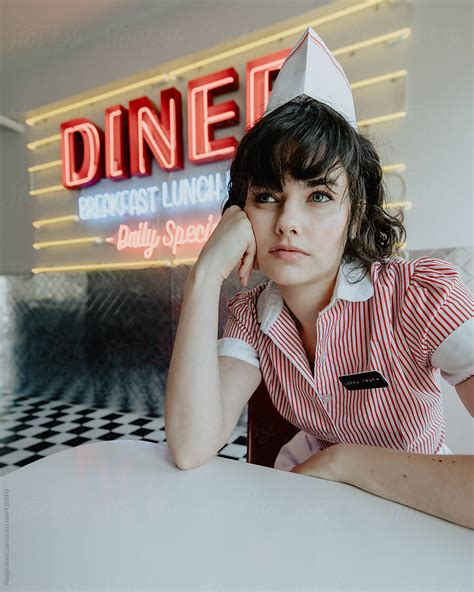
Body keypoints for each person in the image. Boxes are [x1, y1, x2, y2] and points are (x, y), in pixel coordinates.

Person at [165, 28, 474, 529]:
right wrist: (205, 276)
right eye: (266, 195)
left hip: (419, 513)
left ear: (355, 214)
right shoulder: (251, 315)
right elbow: (190, 444)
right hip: (312, 507)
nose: (287, 220)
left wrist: (345, 461)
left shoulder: (419, 296)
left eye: (319, 195)